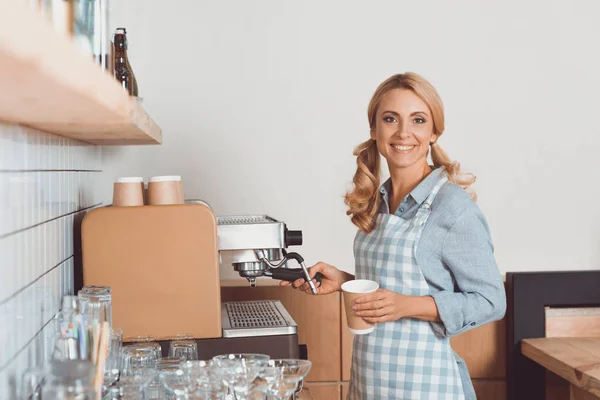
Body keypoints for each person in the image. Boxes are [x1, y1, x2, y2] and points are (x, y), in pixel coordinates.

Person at [281, 72, 506, 399]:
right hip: (370, 384)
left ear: (434, 132)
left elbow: (491, 301)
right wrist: (345, 281)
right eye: (390, 119)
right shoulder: (377, 200)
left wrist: (407, 306)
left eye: (417, 120)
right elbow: (392, 285)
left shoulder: (452, 207)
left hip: (427, 388)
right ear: (374, 129)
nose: (404, 133)